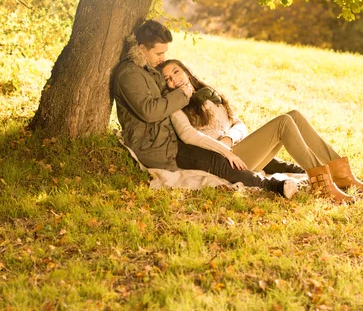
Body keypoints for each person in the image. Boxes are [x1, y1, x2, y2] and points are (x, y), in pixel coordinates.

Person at [113, 20, 301, 199]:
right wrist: (183, 94)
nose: (163, 58)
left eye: (165, 53)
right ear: (142, 48)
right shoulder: (130, 74)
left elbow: (234, 122)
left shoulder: (148, 68)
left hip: (169, 139)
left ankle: (297, 171)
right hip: (158, 147)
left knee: (241, 151)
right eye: (159, 53)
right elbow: (150, 111)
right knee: (219, 161)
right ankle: (272, 186)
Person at [159, 59, 363, 203]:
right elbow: (188, 135)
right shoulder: (175, 107)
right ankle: (323, 184)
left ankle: (342, 174)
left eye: (176, 72)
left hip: (236, 148)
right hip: (227, 160)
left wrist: (229, 138)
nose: (174, 79)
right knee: (283, 122)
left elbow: (239, 124)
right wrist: (225, 150)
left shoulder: (208, 93)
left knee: (295, 116)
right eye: (167, 79)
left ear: (186, 71)